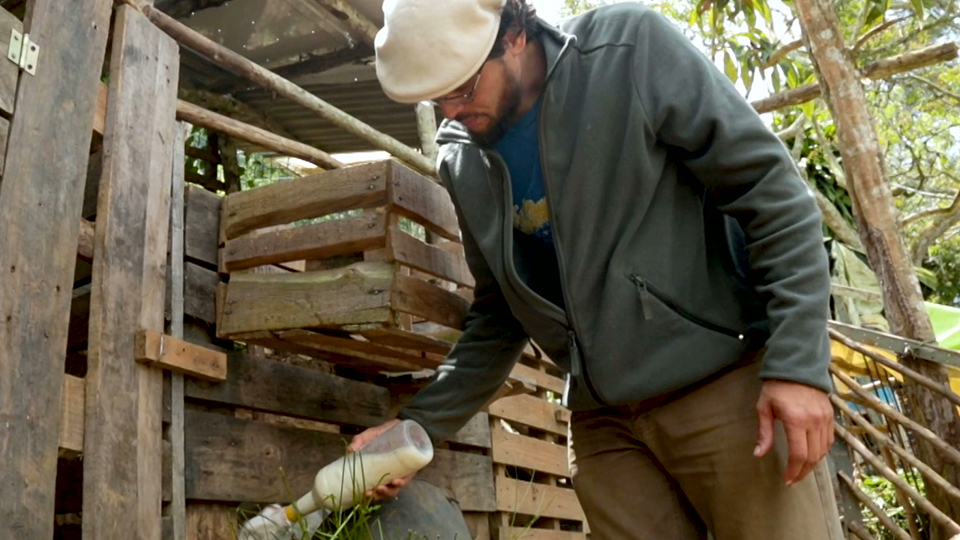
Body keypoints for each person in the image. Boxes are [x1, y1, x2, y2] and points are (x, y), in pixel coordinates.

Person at [350, 0, 844, 538]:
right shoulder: (460, 157)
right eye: (435, 96)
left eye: (464, 88)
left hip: (724, 388)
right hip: (605, 427)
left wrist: (797, 365)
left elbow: (771, 196)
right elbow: (500, 313)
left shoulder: (627, 51)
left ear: (513, 33)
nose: (450, 111)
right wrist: (416, 426)